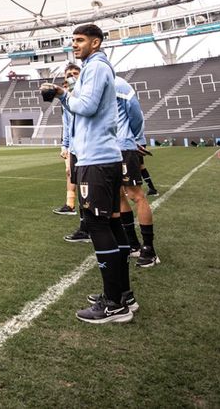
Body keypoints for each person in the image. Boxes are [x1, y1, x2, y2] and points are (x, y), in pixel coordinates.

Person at [49, 24, 135, 323]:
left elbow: (84, 107)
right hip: (102, 156)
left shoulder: (97, 67)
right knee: (112, 224)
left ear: (95, 43)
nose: (75, 45)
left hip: (96, 159)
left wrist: (62, 94)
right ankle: (123, 295)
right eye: (73, 40)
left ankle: (114, 305)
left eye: (81, 40)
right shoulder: (93, 68)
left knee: (97, 226)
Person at [114, 76, 159, 268]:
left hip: (124, 146)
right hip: (105, 149)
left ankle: (149, 249)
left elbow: (136, 114)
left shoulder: (118, 84)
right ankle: (133, 244)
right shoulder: (93, 85)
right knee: (118, 196)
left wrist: (137, 140)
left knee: (135, 195)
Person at [50, 63, 81, 215]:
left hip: (89, 145)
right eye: (69, 75)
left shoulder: (86, 94)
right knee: (69, 171)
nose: (72, 76)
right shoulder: (65, 99)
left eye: (75, 73)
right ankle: (70, 205)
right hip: (73, 146)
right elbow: (67, 124)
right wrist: (65, 146)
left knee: (88, 180)